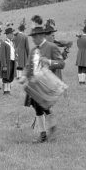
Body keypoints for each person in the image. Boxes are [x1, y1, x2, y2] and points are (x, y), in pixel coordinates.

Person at [19, 15, 65, 143]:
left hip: (46, 83)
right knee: (36, 107)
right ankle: (44, 133)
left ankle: (50, 129)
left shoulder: (51, 47)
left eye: (34, 37)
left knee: (42, 106)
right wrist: (23, 76)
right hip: (34, 83)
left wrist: (49, 61)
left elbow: (61, 63)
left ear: (40, 36)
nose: (32, 40)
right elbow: (28, 66)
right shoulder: (33, 50)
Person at [0, 26, 16, 95]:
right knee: (5, 76)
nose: (13, 35)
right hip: (7, 62)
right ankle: (5, 91)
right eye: (11, 33)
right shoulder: (4, 43)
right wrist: (4, 65)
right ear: (8, 34)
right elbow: (3, 55)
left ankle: (8, 90)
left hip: (12, 61)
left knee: (10, 75)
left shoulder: (12, 43)